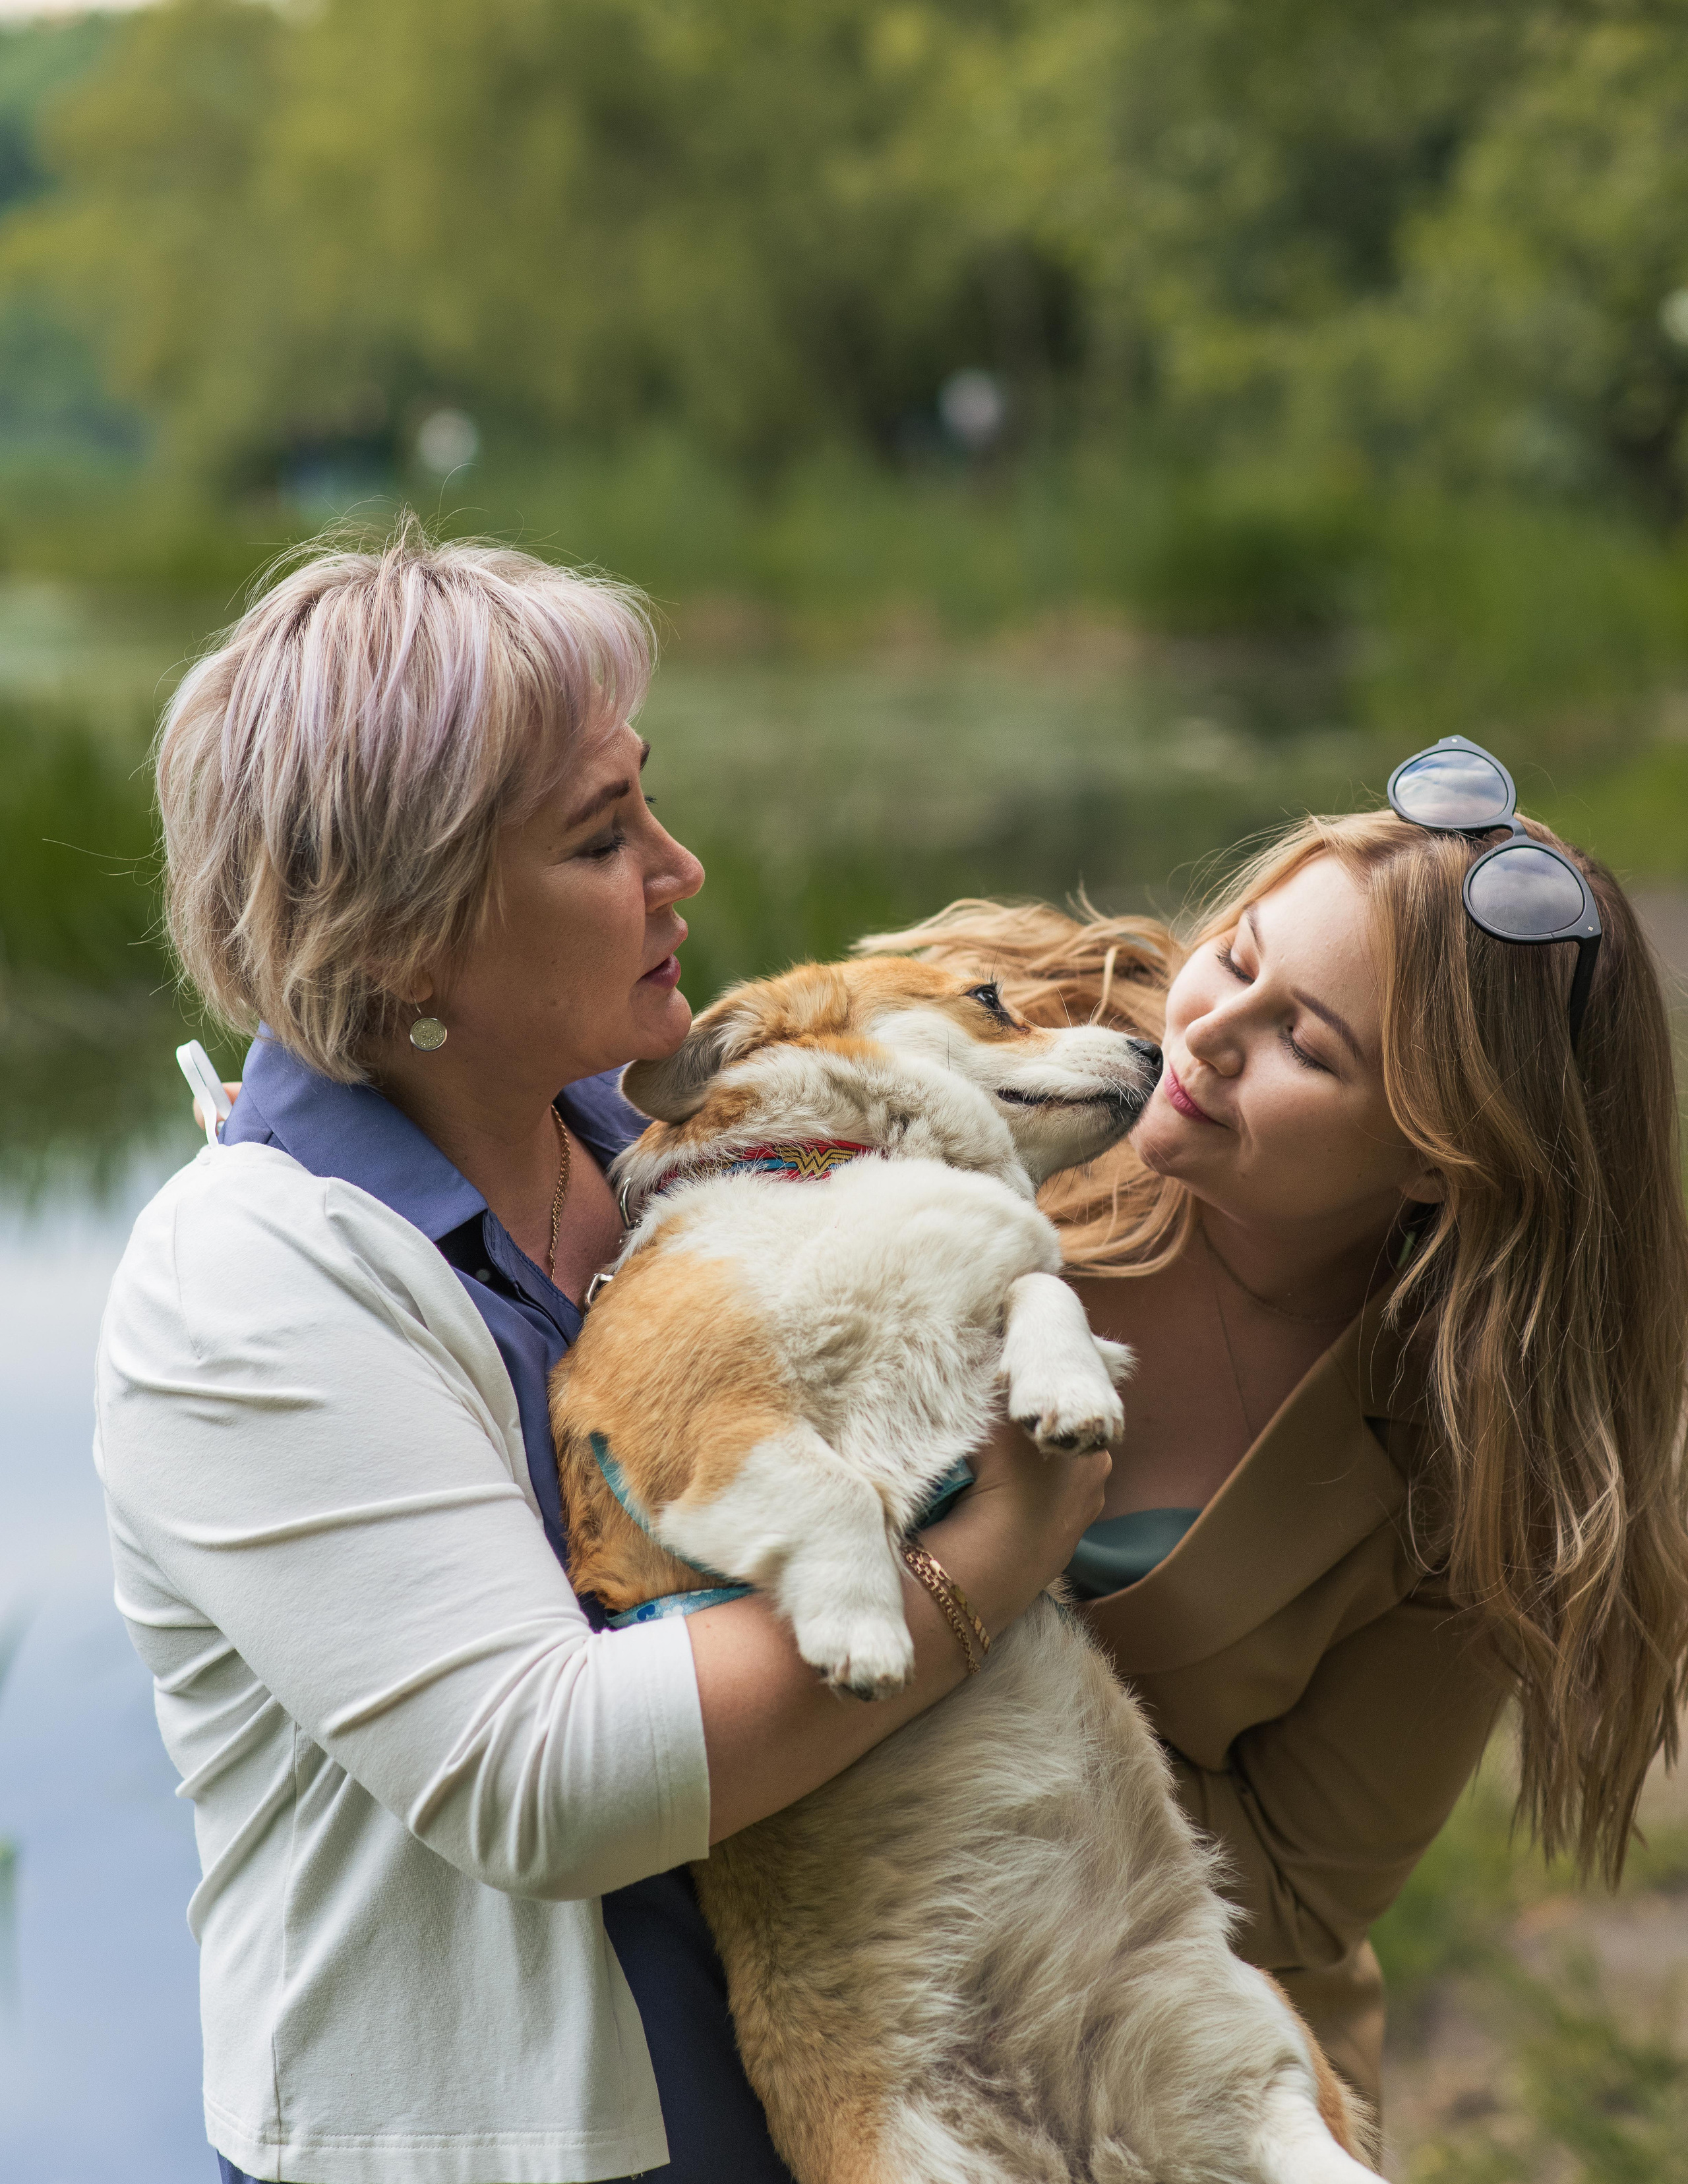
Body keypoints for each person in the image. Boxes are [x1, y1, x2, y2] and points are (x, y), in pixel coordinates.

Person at [94, 525, 1107, 2184]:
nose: (677, 866)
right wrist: (993, 1550)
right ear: (406, 938)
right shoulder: (246, 1282)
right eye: (599, 837)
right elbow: (541, 1776)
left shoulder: (665, 1150)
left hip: (837, 2087)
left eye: (646, 796)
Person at [873, 793, 1688, 2113]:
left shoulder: (1468, 1459)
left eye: (1301, 1044)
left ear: (1434, 1160)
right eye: (1238, 955)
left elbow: (1296, 1895)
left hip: (1151, 2067)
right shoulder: (1025, 1025)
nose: (1202, 1032)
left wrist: (954, 1621)